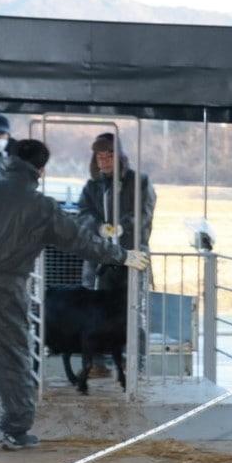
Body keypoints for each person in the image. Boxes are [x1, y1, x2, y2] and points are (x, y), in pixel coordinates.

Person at [0, 139, 149, 449]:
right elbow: (81, 242)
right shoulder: (41, 207)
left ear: (9, 160)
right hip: (4, 287)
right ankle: (15, 430)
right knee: (10, 355)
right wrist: (122, 255)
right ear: (41, 169)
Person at [76, 132, 156, 377]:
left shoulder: (139, 182)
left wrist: (123, 227)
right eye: (99, 156)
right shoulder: (92, 187)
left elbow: (144, 213)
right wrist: (99, 228)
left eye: (109, 155)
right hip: (99, 259)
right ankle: (97, 364)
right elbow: (83, 214)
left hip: (132, 257)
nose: (104, 160)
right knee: (94, 312)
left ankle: (135, 366)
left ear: (119, 156)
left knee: (133, 312)